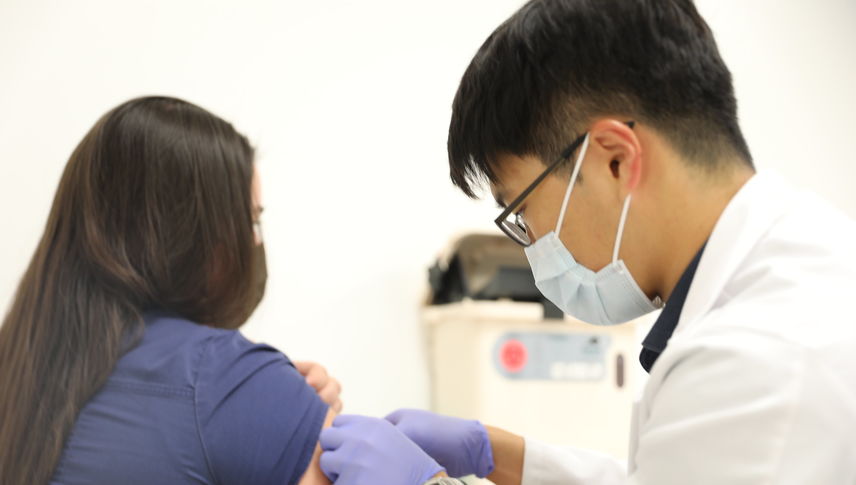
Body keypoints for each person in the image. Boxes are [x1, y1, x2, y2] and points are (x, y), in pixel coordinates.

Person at [317, 0, 856, 484]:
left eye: (522, 208)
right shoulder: (794, 262)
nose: (531, 246)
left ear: (615, 159)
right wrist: (497, 453)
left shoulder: (761, 356)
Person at [0, 96, 342, 485]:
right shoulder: (227, 379)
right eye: (248, 219)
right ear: (192, 233)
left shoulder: (19, 371)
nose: (254, 241)